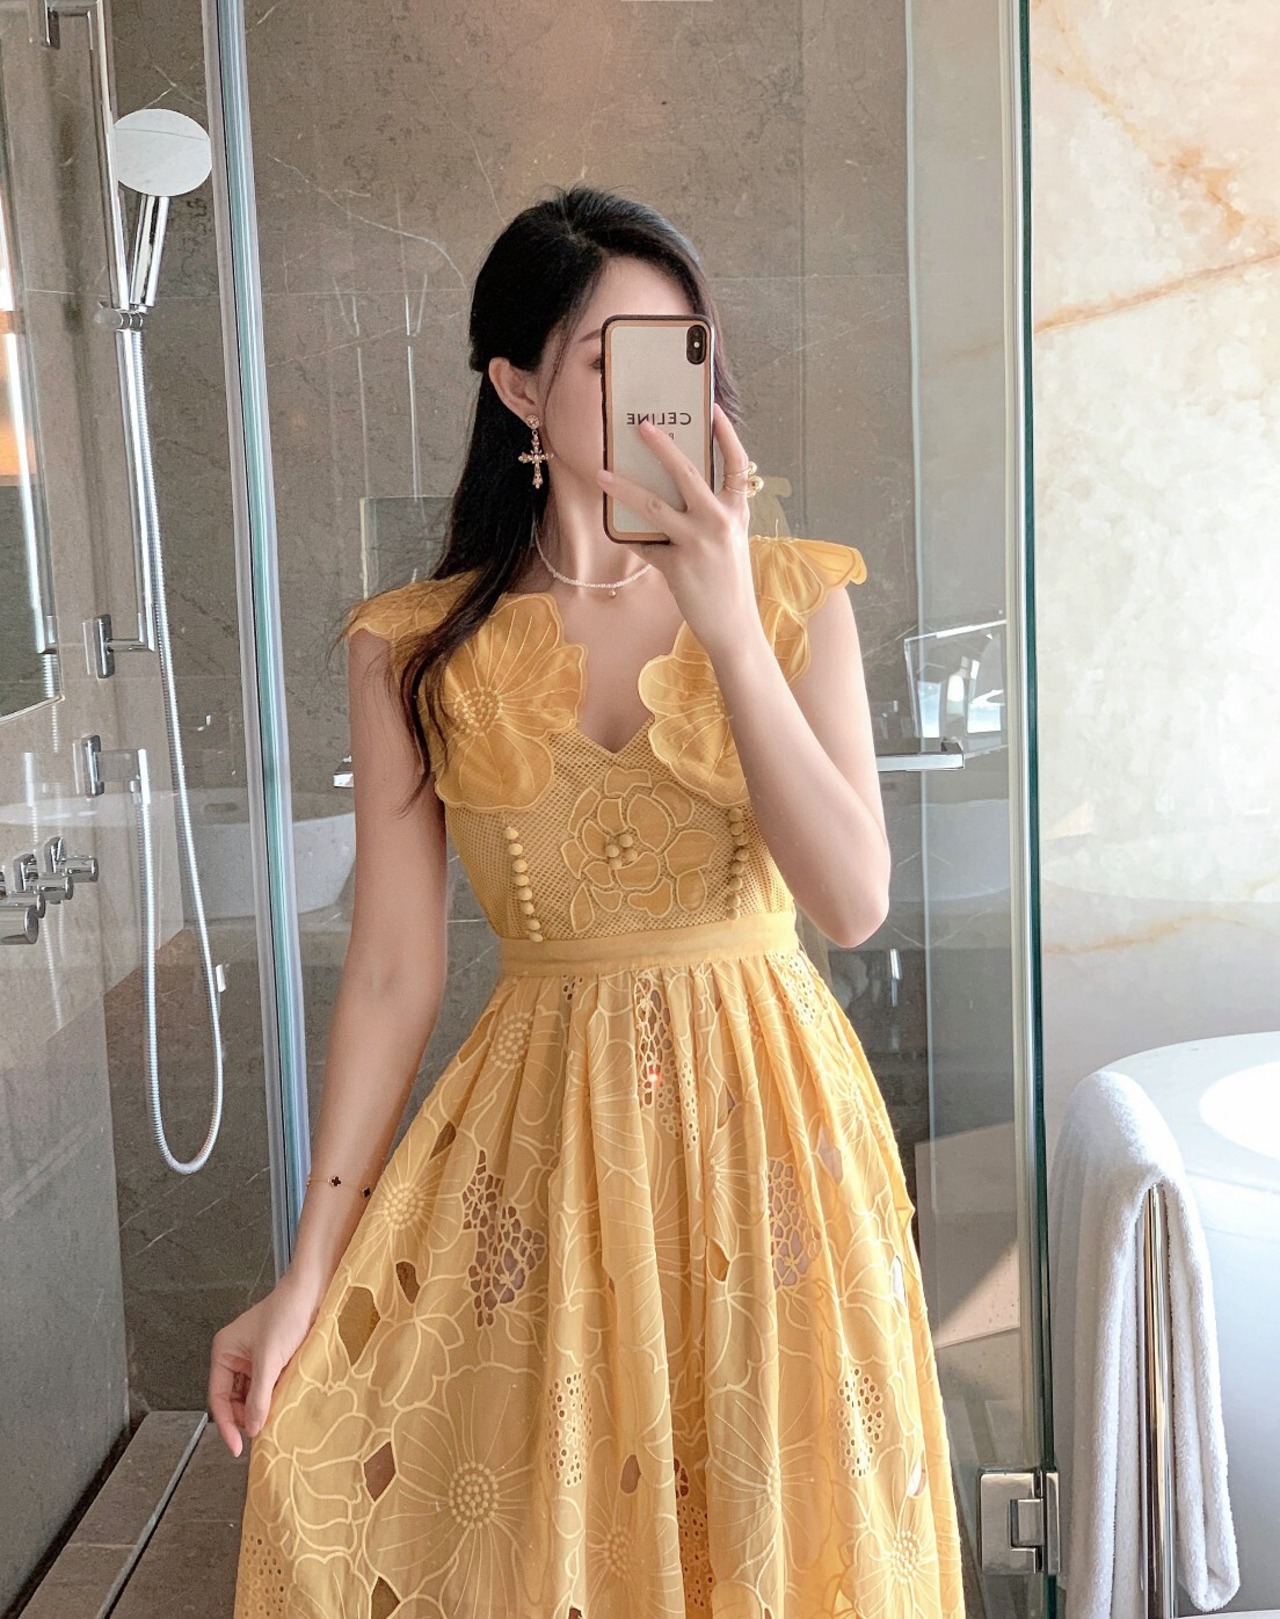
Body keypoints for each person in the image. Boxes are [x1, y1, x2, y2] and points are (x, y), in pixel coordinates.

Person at [213, 183, 965, 1619]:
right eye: (611, 358)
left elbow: (854, 901)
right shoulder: (413, 649)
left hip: (773, 1141)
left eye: (682, 351)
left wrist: (727, 624)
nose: (657, 395)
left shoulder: (794, 597)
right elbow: (392, 975)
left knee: (779, 1532)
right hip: (545, 1148)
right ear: (518, 389)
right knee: (546, 1539)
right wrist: (310, 1269)